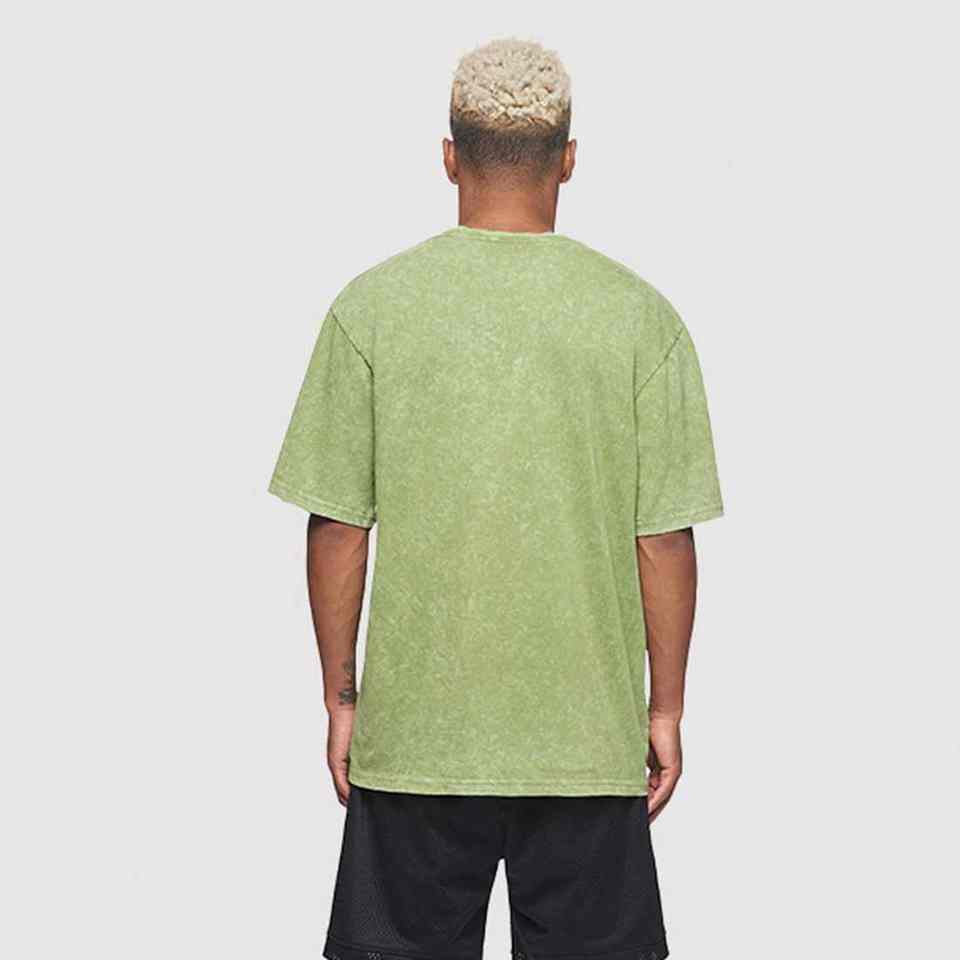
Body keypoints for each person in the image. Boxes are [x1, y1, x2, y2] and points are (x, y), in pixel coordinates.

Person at [270, 37, 722, 960]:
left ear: (449, 158)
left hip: (418, 741)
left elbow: (339, 526)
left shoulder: (372, 308)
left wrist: (343, 699)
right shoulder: (640, 318)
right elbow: (662, 539)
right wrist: (663, 711)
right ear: (568, 160)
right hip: (586, 744)